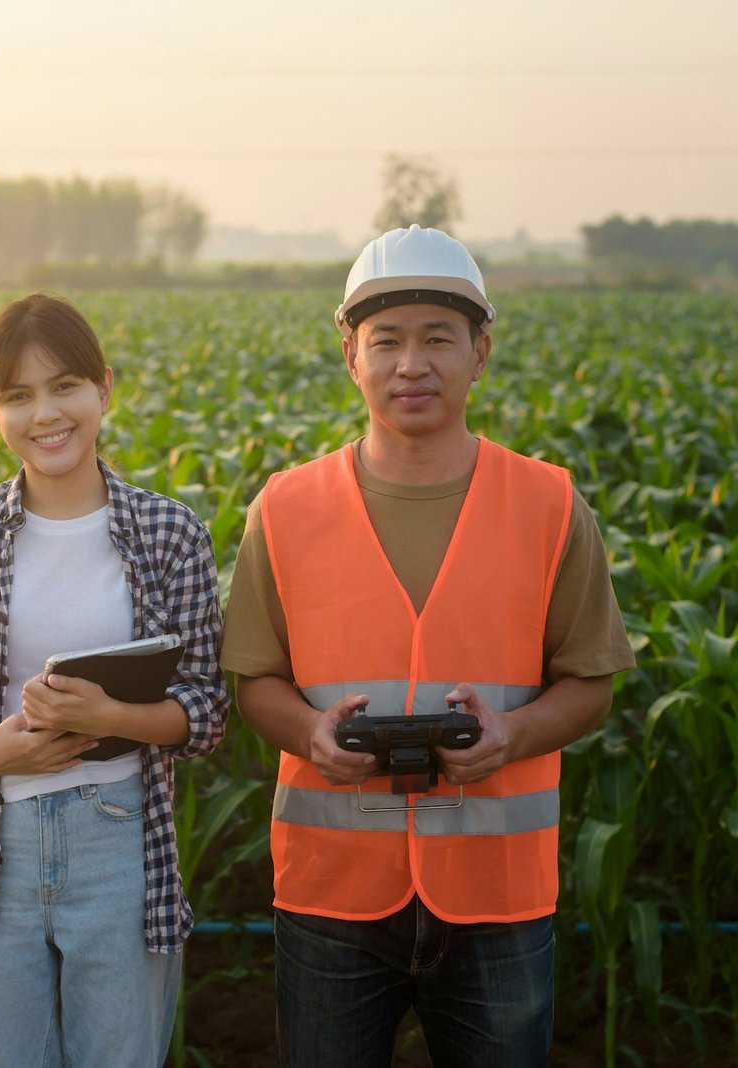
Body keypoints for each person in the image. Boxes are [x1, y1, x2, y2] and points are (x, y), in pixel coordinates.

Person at [221, 225, 634, 1067]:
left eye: (438, 338)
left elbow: (591, 683)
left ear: (480, 352)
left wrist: (511, 735)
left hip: (499, 895)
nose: (412, 363)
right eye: (388, 340)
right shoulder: (285, 508)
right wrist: (309, 735)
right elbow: (255, 678)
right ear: (351, 355)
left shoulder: (551, 504)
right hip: (332, 890)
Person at [0, 293, 228, 1068]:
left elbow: (205, 710)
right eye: (18, 396)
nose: (46, 413)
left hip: (121, 836)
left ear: (104, 388)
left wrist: (113, 714)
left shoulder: (170, 532)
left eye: (65, 385)